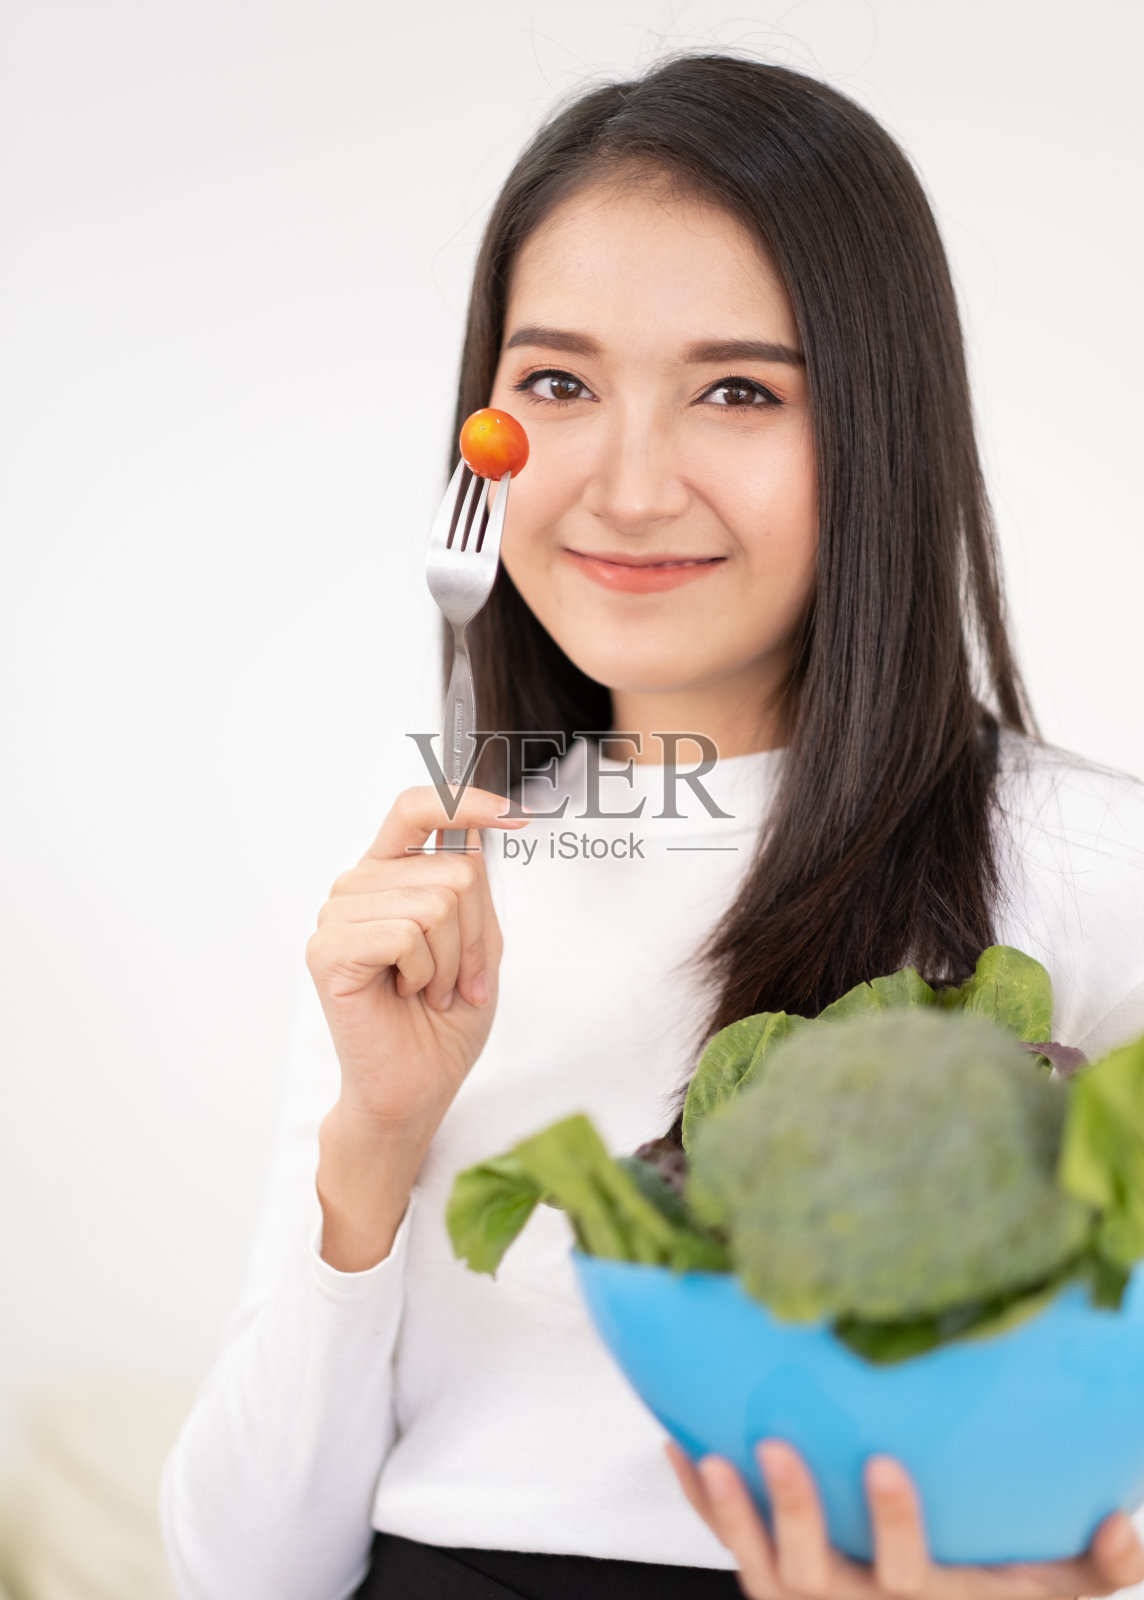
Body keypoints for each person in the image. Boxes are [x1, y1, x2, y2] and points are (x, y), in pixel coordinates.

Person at [159, 51, 1144, 1600]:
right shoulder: (430, 895)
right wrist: (374, 1148)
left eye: (738, 390)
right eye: (556, 384)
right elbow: (240, 1573)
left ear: (883, 429)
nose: (624, 486)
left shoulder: (1091, 872)